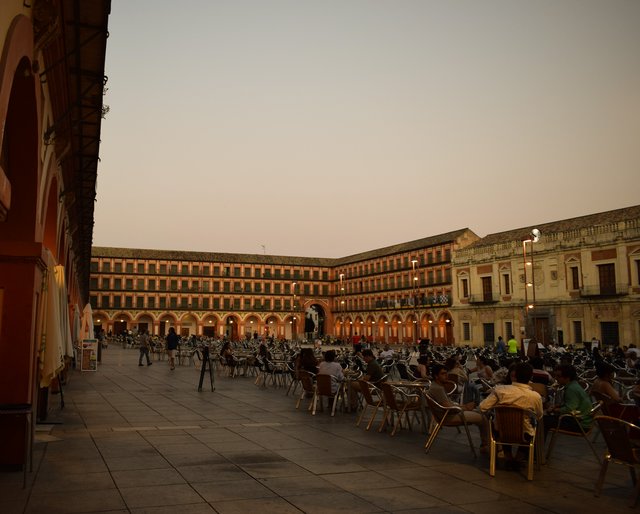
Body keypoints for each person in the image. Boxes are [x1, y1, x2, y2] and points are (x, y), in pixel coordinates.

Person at [480, 362, 543, 466]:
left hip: (501, 431)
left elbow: (482, 407)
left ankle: (508, 456)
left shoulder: (500, 390)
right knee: (531, 427)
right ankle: (518, 458)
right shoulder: (535, 396)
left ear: (514, 375)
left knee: (501, 425)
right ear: (530, 377)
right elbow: (539, 416)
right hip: (524, 434)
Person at [428, 364, 489, 451]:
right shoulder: (438, 389)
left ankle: (485, 444)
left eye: (446, 373)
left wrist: (464, 406)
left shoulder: (435, 386)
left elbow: (448, 404)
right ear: (436, 376)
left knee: (479, 412)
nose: (446, 376)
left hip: (445, 415)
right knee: (483, 418)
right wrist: (466, 408)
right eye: (443, 374)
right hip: (448, 417)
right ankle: (485, 445)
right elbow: (448, 408)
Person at [543, 364, 594, 435]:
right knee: (546, 419)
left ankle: (538, 445)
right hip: (581, 420)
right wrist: (558, 406)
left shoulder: (571, 389)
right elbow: (573, 404)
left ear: (567, 377)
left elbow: (569, 409)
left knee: (543, 421)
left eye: (558, 376)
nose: (556, 378)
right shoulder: (574, 385)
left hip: (579, 424)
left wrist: (555, 410)